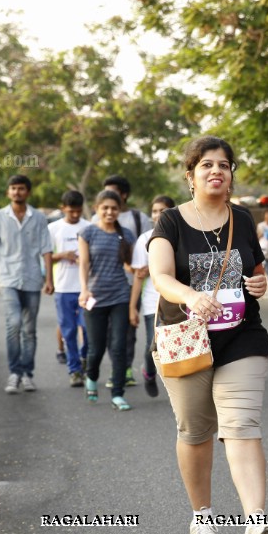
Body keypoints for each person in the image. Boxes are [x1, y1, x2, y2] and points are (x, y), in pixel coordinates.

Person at [148, 136, 268, 534]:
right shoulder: (170, 221)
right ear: (190, 176)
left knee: (240, 423)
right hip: (185, 336)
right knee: (196, 430)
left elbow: (256, 273)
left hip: (241, 334)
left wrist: (260, 283)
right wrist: (189, 295)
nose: (216, 171)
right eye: (206, 165)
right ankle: (202, 517)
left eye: (224, 165)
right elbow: (161, 276)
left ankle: (256, 523)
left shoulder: (243, 219)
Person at [0, 174, 54, 395]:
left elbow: (46, 249)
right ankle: (14, 372)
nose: (17, 192)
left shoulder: (39, 218)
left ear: (28, 192)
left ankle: (27, 374)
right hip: (8, 279)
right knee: (14, 324)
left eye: (21, 188)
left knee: (29, 330)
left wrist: (49, 279)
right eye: (13, 188)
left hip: (32, 279)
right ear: (8, 192)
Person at [78, 190, 137, 411]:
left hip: (120, 296)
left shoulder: (127, 235)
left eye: (114, 208)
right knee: (96, 349)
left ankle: (118, 394)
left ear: (119, 210)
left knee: (119, 346)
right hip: (94, 297)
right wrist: (84, 290)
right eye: (105, 208)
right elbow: (84, 264)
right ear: (97, 209)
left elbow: (129, 265)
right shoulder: (88, 233)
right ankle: (91, 379)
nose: (110, 212)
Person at [99, 175, 154, 388]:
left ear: (124, 195)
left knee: (128, 329)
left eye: (112, 192)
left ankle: (125, 369)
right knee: (111, 331)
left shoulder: (139, 219)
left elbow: (149, 249)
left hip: (135, 284)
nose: (108, 199)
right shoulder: (99, 221)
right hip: (107, 285)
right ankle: (117, 367)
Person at [130, 195, 175, 399]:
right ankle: (149, 372)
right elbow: (138, 276)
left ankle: (180, 388)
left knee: (175, 344)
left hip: (176, 299)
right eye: (155, 211)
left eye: (163, 210)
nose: (158, 215)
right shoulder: (144, 239)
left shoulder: (180, 235)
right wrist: (133, 306)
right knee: (153, 344)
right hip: (152, 302)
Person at [48, 190, 91, 388]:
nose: (74, 215)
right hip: (63, 287)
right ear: (63, 208)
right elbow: (46, 256)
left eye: (78, 211)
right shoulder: (54, 228)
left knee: (88, 329)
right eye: (70, 211)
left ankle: (84, 358)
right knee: (69, 330)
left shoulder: (89, 227)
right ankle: (74, 370)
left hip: (87, 288)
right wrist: (62, 255)